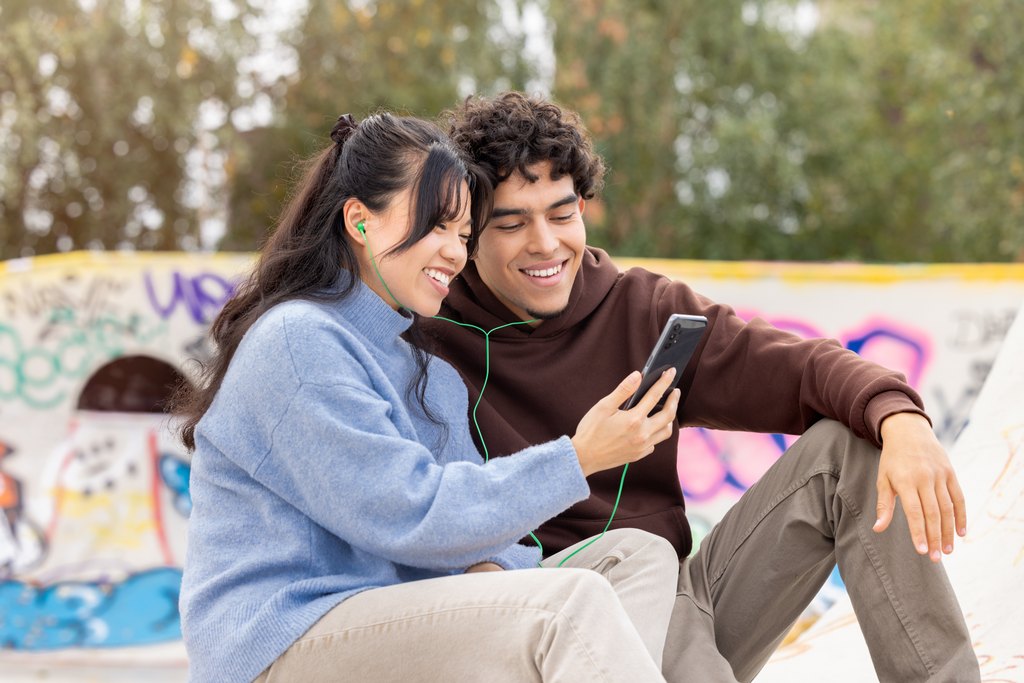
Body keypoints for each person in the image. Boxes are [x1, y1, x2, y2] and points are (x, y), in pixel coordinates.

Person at [420, 92, 981, 682]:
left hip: (676, 596)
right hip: (534, 621)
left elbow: (802, 367)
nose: (545, 244)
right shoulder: (426, 337)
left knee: (853, 449)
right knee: (622, 573)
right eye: (512, 224)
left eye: (562, 215)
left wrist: (902, 421)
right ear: (467, 232)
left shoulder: (644, 308)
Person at [174, 112, 687, 683]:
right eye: (437, 226)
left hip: (392, 620)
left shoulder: (426, 372)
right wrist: (579, 456)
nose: (454, 253)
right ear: (360, 222)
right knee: (564, 608)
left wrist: (495, 564)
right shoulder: (298, 341)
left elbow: (470, 533)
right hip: (285, 641)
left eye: (464, 236)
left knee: (636, 557)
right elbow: (411, 513)